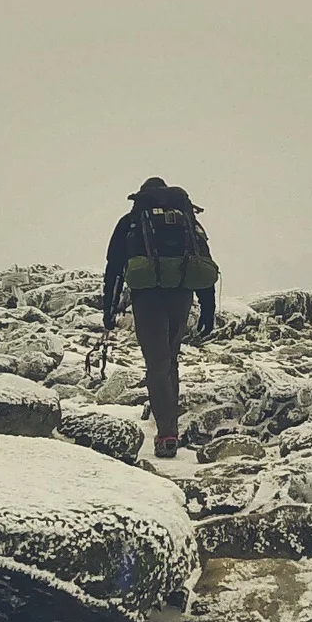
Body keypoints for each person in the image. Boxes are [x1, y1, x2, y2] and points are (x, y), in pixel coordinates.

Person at [101, 177, 217, 460]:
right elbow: (202, 261)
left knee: (157, 364)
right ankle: (169, 426)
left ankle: (167, 434)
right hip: (181, 296)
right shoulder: (186, 221)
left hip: (147, 298)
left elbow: (114, 267)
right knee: (170, 361)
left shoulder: (131, 221)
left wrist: (109, 307)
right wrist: (208, 307)